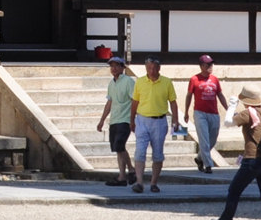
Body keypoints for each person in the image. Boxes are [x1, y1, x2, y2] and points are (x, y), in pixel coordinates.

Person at [211, 86, 261, 220]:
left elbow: (228, 123)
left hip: (252, 159)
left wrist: (231, 106)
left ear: (246, 101)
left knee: (234, 190)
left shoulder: (248, 113)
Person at [130, 56, 181, 193]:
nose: (151, 71)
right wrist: (131, 120)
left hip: (159, 121)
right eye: (149, 68)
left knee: (158, 154)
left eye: (154, 68)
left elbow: (173, 102)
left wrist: (175, 120)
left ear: (159, 68)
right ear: (145, 68)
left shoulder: (166, 82)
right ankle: (139, 182)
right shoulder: (140, 82)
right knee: (140, 151)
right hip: (142, 119)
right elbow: (135, 102)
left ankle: (153, 182)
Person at [93, 55, 137, 186]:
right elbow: (109, 102)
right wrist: (102, 120)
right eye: (112, 66)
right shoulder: (111, 83)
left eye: (117, 66)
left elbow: (135, 100)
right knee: (118, 148)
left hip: (125, 119)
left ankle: (129, 171)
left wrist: (133, 119)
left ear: (123, 67)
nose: (114, 68)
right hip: (114, 119)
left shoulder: (128, 81)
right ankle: (125, 174)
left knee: (119, 145)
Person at [187, 54, 231, 172]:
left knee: (212, 139)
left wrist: (228, 108)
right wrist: (186, 112)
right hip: (200, 113)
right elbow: (189, 96)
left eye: (211, 64)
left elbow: (220, 95)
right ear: (201, 66)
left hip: (213, 113)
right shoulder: (194, 79)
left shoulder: (215, 79)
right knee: (204, 139)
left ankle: (200, 158)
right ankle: (208, 165)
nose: (210, 67)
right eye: (208, 64)